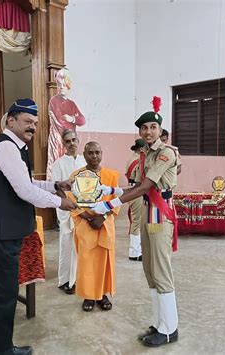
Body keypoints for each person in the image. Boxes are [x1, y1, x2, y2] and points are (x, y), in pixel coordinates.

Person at [0, 99, 77, 355]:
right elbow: (24, 190)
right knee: (2, 297)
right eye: (27, 122)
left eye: (35, 123)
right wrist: (59, 202)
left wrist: (54, 185)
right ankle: (0, 350)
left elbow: (26, 182)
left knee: (3, 294)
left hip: (4, 234)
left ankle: (1, 347)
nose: (32, 127)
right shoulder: (6, 148)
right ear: (11, 120)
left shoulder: (15, 147)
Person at [90, 96, 179, 347]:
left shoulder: (165, 154)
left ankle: (170, 328)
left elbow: (147, 187)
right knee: (150, 271)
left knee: (161, 272)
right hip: (150, 214)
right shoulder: (145, 156)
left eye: (152, 127)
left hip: (161, 216)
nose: (148, 131)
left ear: (160, 130)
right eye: (144, 128)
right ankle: (160, 323)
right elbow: (134, 186)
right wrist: (108, 190)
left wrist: (108, 205)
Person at [70, 141, 121, 312]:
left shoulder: (112, 175)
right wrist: (88, 218)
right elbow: (72, 201)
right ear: (84, 155)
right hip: (86, 225)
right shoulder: (77, 175)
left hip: (105, 225)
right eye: (90, 153)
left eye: (97, 152)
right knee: (87, 261)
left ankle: (103, 294)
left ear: (102, 154)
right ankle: (89, 296)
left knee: (105, 261)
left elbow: (117, 200)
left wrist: (103, 217)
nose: (94, 156)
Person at [51, 129, 86, 294]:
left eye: (74, 140)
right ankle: (65, 280)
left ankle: (77, 279)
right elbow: (56, 188)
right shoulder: (58, 164)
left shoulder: (84, 161)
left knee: (81, 246)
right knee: (66, 245)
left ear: (78, 141)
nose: (71, 143)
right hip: (66, 209)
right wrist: (68, 204)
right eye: (68, 141)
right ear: (63, 144)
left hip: (83, 209)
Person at [46, 68, 86, 180]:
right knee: (58, 167)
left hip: (69, 136)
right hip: (58, 138)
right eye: (59, 85)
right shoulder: (54, 101)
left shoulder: (71, 103)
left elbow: (82, 120)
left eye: (64, 84)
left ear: (68, 86)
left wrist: (72, 119)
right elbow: (59, 120)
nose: (61, 87)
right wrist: (69, 127)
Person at [125, 138, 145, 261]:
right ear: (141, 149)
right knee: (137, 221)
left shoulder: (133, 158)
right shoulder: (137, 161)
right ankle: (134, 252)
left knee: (137, 221)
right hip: (137, 190)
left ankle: (137, 250)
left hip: (134, 190)